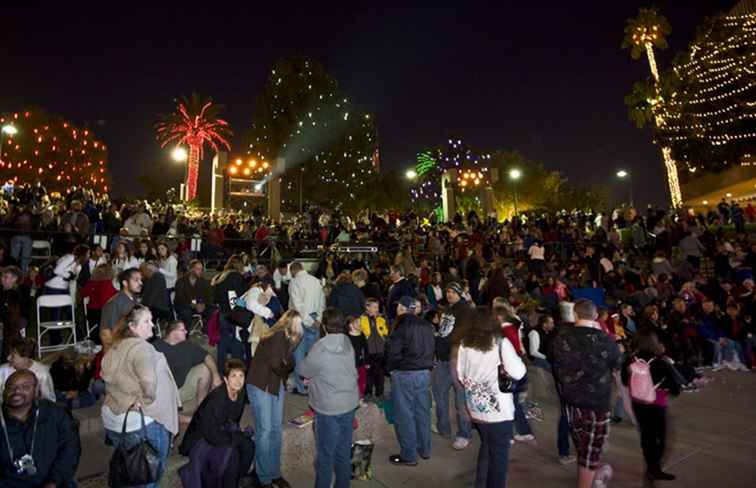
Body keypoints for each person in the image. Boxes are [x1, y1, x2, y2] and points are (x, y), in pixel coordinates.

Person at [101, 305, 180, 488]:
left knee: (130, 473)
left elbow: (108, 381)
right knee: (147, 478)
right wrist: (142, 402)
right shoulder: (142, 349)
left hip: (116, 422)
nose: (152, 324)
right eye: (146, 321)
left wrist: (127, 400)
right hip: (143, 425)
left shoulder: (115, 347)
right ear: (133, 327)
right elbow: (149, 388)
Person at [551, 299, 622, 488]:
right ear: (596, 316)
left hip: (571, 402)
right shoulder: (606, 340)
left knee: (583, 447)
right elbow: (617, 367)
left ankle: (593, 475)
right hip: (597, 404)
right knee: (590, 452)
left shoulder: (561, 338)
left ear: (575, 314)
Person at [456, 306, 526, 488]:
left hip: (476, 408)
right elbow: (519, 372)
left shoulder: (465, 343)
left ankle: (480, 484)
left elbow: (461, 375)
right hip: (498, 411)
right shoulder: (500, 343)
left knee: (487, 445)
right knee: (499, 459)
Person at [297, 308, 360, 488]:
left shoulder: (320, 347)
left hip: (328, 408)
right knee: (342, 452)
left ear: (324, 326)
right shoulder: (347, 342)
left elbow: (304, 370)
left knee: (325, 456)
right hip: (349, 404)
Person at [246, 311, 303, 488]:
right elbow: (278, 365)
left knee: (276, 430)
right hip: (260, 383)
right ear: (290, 322)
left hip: (274, 383)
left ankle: (274, 472)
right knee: (265, 430)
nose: (301, 327)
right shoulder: (278, 335)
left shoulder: (287, 339)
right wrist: (286, 368)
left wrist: (288, 362)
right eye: (299, 323)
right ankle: (264, 477)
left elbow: (291, 363)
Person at [178, 358, 256, 488]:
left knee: (249, 446)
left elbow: (233, 421)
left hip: (222, 431)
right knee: (232, 455)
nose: (238, 380)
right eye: (234, 376)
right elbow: (212, 435)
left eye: (241, 376)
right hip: (201, 439)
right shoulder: (217, 399)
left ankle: (238, 479)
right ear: (225, 379)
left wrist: (237, 436)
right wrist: (235, 439)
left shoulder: (240, 393)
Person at [0, 369, 81, 488]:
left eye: (25, 386)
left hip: (53, 482)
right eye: (11, 387)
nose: (17, 391)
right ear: (4, 391)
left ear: (36, 391)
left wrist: (53, 482)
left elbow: (70, 448)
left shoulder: (55, 414)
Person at [622, 329, 680, 484]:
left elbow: (623, 381)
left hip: (638, 403)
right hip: (657, 403)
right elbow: (675, 388)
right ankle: (654, 469)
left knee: (646, 436)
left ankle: (651, 467)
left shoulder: (630, 360)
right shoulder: (661, 362)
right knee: (659, 437)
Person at [385, 296, 435, 466]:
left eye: (398, 305)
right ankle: (425, 449)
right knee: (422, 412)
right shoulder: (426, 325)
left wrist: (391, 369)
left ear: (403, 307)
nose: (397, 308)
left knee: (404, 415)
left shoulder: (400, 325)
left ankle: (409, 455)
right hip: (423, 374)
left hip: (405, 374)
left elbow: (393, 352)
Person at [153, 321, 222, 419]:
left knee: (204, 368)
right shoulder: (156, 348)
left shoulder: (187, 345)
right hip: (164, 395)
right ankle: (181, 419)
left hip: (182, 389)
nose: (186, 332)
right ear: (173, 332)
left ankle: (200, 409)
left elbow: (207, 356)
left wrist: (216, 376)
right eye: (182, 330)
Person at [433, 281, 472, 450]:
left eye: (452, 292)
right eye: (447, 291)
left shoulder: (465, 310)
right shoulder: (448, 309)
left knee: (460, 399)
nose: (449, 294)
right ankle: (444, 428)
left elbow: (464, 334)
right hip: (442, 360)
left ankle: (464, 433)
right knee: (439, 393)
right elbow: (443, 331)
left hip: (457, 360)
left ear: (459, 293)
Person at [288, 261, 326, 396]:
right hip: (315, 321)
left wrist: (308, 320)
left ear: (293, 271)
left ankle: (302, 388)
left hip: (301, 322)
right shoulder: (316, 281)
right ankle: (314, 385)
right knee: (312, 356)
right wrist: (318, 319)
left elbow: (297, 305)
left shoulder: (295, 282)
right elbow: (322, 302)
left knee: (299, 356)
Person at [0, 337, 56, 403]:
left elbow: (49, 399)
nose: (8, 358)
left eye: (13, 356)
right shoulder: (2, 369)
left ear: (26, 357)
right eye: (9, 354)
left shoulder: (42, 373)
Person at [99, 268, 141, 350]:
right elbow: (106, 334)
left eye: (140, 280)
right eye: (136, 280)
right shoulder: (114, 303)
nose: (140, 283)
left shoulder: (133, 299)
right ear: (125, 283)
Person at [175, 259, 215, 335]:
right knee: (186, 312)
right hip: (185, 305)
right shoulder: (181, 282)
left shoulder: (203, 281)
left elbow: (209, 295)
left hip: (199, 304)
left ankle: (205, 330)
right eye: (197, 269)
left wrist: (203, 304)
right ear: (191, 269)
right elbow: (180, 298)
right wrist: (193, 304)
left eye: (201, 269)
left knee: (214, 311)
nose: (200, 271)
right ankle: (185, 334)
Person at [80, 263, 118, 343]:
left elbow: (83, 293)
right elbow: (105, 300)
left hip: (92, 314)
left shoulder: (91, 283)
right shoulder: (107, 283)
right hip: (104, 314)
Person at [360, 298, 388, 401]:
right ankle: (368, 392)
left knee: (380, 373)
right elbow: (363, 332)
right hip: (369, 351)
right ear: (368, 308)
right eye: (375, 307)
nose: (377, 309)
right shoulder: (362, 319)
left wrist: (380, 321)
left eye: (378, 307)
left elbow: (385, 332)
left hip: (380, 350)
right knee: (369, 373)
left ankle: (379, 392)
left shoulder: (381, 319)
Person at [347, 315, 368, 398]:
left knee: (362, 381)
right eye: (357, 322)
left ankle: (361, 398)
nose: (360, 324)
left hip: (361, 364)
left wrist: (367, 361)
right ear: (350, 325)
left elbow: (366, 349)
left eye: (360, 322)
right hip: (351, 366)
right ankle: (353, 398)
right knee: (352, 382)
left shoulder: (362, 335)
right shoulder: (347, 337)